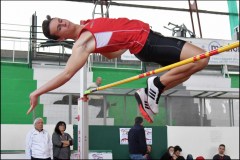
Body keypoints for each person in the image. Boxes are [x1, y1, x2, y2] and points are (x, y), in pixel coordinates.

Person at [27, 16, 209, 123]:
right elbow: (67, 74)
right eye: (59, 28)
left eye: (60, 20)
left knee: (188, 70)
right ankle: (155, 84)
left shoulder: (87, 23)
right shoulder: (82, 43)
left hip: (143, 42)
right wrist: (37, 92)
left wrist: (126, 38)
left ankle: (148, 92)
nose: (63, 23)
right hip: (147, 42)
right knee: (203, 58)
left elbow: (112, 54)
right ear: (60, 39)